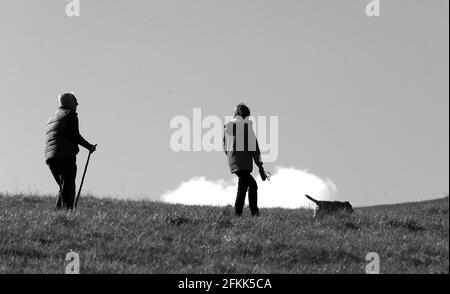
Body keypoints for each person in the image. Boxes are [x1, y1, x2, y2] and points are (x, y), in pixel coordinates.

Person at [45, 93, 96, 210]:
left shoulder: (51, 117)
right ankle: (67, 213)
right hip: (65, 155)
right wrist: (89, 146)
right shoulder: (70, 114)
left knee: (63, 186)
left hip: (51, 157)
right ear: (68, 102)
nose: (77, 104)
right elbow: (74, 135)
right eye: (75, 101)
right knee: (68, 187)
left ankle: (58, 213)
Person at [223, 103, 266, 217]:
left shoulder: (227, 126)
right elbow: (254, 147)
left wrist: (231, 156)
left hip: (233, 161)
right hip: (243, 162)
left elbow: (225, 146)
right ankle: (253, 213)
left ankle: (239, 213)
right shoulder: (246, 126)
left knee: (244, 186)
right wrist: (260, 165)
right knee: (251, 185)